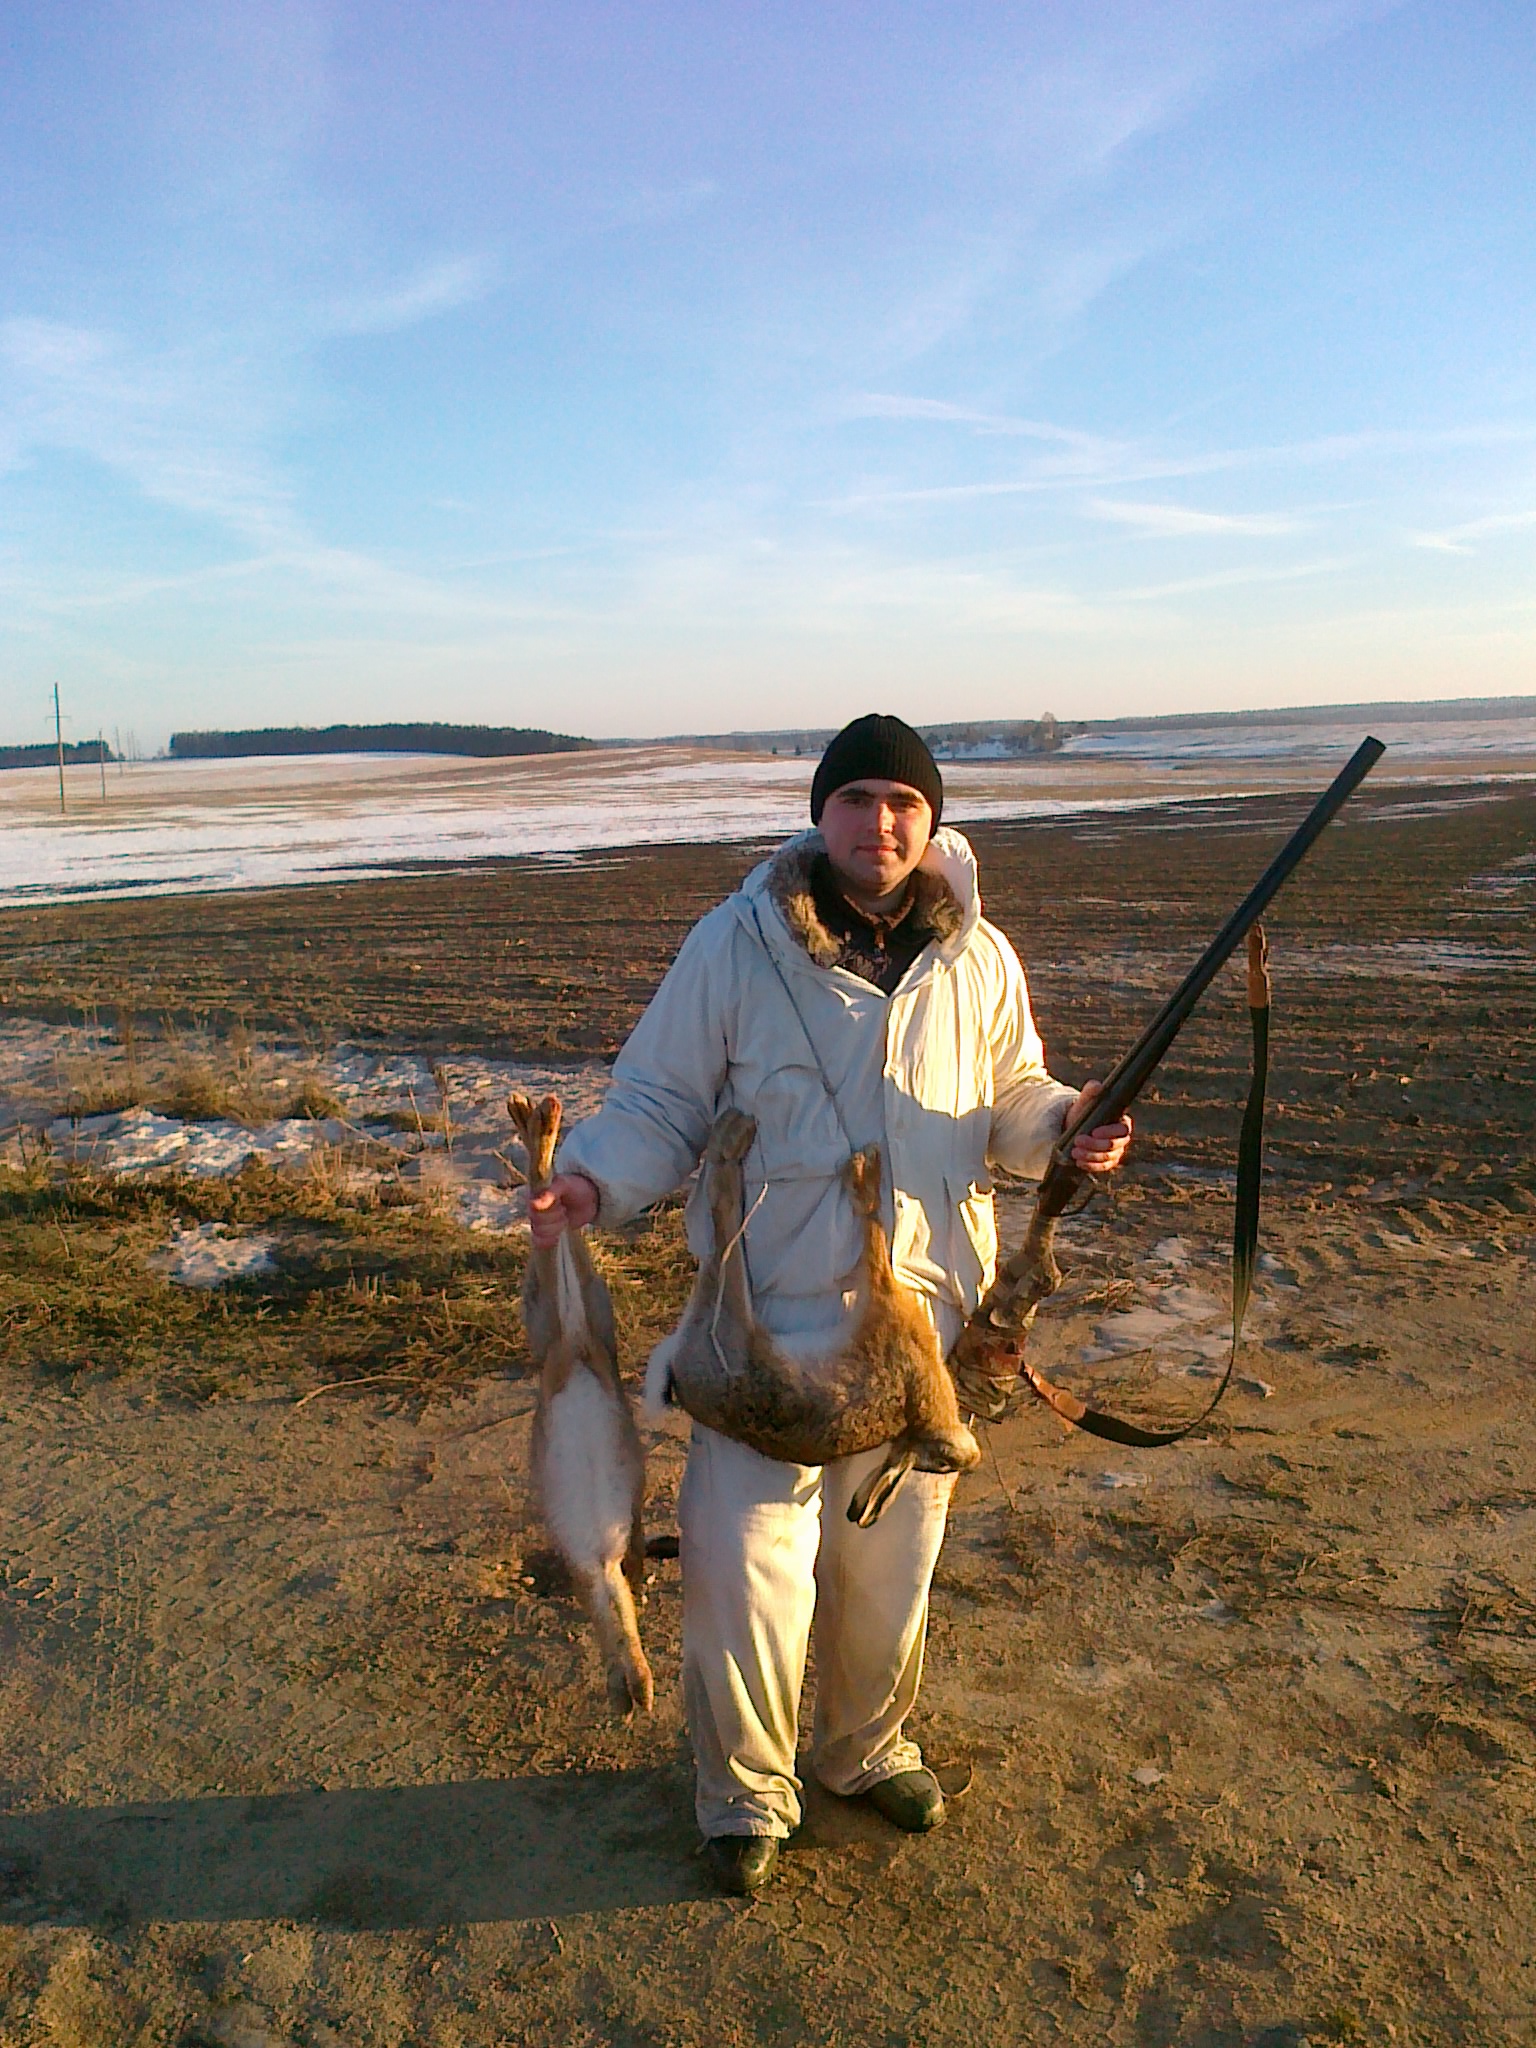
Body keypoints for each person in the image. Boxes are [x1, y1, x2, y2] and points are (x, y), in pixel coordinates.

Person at [530, 713, 1132, 1894]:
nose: (880, 822)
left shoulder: (977, 956)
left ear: (932, 820)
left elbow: (1008, 1096)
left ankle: (863, 1750)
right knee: (745, 1571)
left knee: (890, 1570)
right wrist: (593, 1177)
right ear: (821, 813)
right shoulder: (735, 943)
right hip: (766, 1326)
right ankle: (745, 1793)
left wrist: (1067, 1121)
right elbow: (658, 1098)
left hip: (922, 1329)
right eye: (856, 798)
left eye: (904, 802)